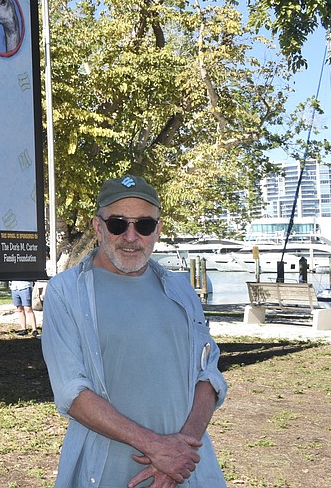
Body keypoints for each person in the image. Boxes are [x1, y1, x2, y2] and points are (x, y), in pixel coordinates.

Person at [41, 174, 228, 487]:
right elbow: (71, 392)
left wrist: (179, 453)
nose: (131, 236)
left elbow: (208, 376)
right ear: (98, 227)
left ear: (158, 230)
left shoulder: (181, 291)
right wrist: (156, 447)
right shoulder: (65, 292)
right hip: (103, 474)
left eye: (143, 225)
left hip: (184, 470)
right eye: (117, 224)